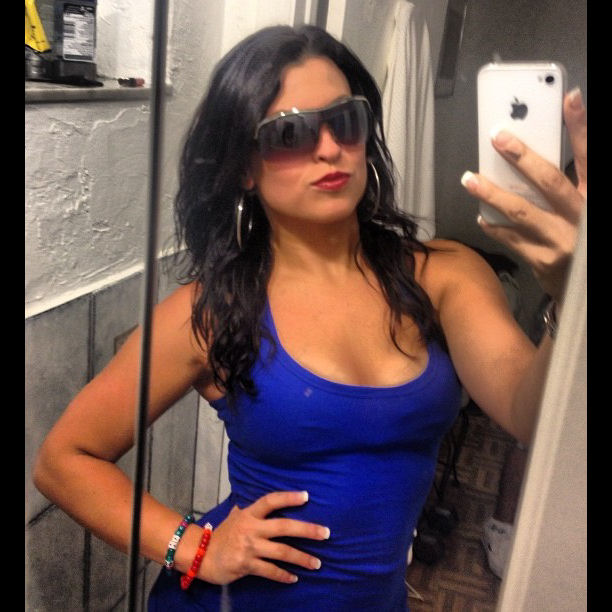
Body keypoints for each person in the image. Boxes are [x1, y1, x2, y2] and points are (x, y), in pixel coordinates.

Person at [32, 24, 587, 611]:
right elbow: (64, 460)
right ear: (245, 167)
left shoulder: (444, 275)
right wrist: (195, 547)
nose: (328, 149)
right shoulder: (212, 312)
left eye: (345, 121)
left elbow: (532, 416)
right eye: (289, 133)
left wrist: (566, 295)